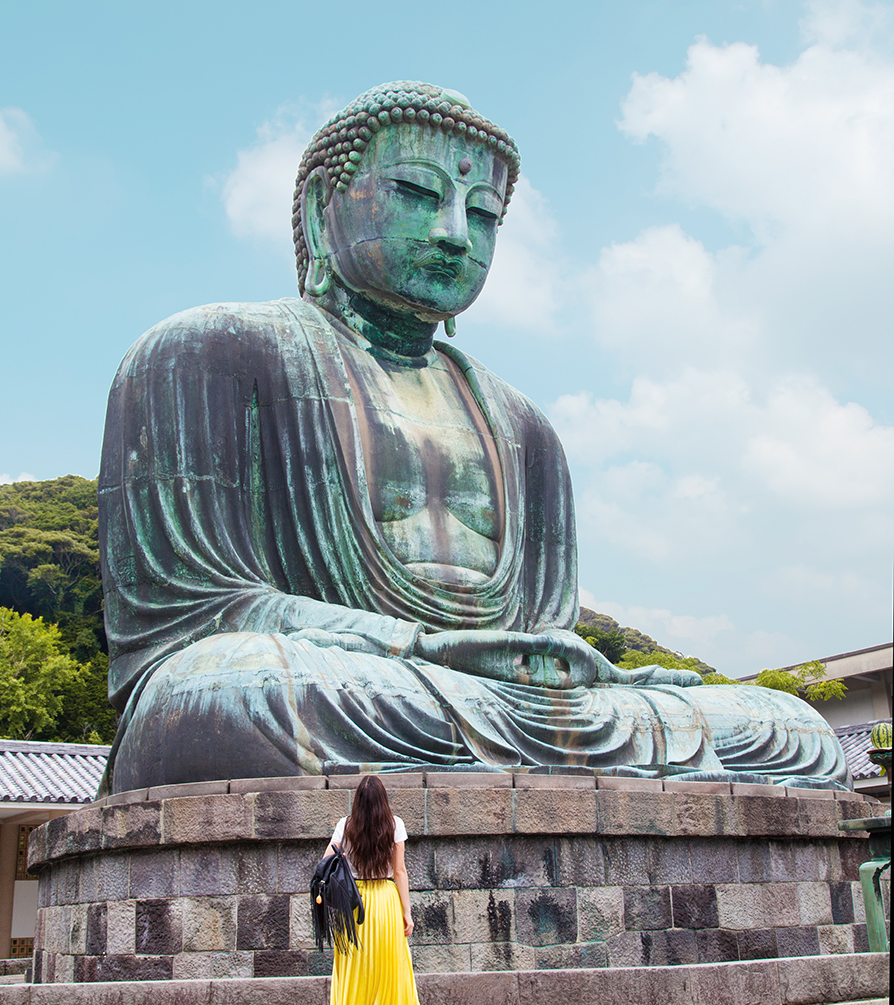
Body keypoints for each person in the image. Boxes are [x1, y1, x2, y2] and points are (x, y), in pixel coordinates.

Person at [96, 80, 850, 794]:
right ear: (327, 208)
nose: (455, 234)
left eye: (484, 213)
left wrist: (595, 680)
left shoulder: (526, 427)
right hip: (337, 684)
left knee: (790, 729)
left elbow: (542, 645)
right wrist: (419, 648)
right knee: (220, 694)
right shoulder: (203, 355)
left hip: (492, 705)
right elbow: (199, 621)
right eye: (419, 193)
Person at [323, 775, 421, 1005]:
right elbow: (400, 871)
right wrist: (407, 912)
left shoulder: (345, 825)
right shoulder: (395, 825)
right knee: (385, 974)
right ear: (383, 800)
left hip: (353, 903)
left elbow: (326, 860)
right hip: (385, 901)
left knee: (355, 974)